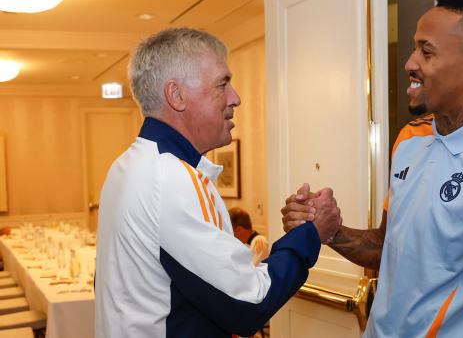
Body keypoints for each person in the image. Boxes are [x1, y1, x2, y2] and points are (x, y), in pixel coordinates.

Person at [282, 0, 463, 337]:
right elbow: (386, 248)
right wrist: (326, 229)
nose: (410, 62)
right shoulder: (411, 138)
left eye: (426, 52)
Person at [95, 28, 341, 338]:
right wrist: (310, 234)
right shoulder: (170, 177)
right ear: (176, 95)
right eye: (222, 84)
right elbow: (250, 302)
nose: (235, 98)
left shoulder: (127, 166)